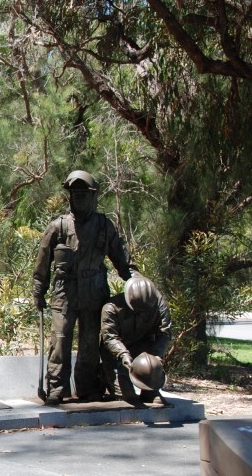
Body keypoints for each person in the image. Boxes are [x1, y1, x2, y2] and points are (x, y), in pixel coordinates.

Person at [33, 170, 139, 405]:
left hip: (94, 293)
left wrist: (137, 283)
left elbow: (122, 261)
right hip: (65, 294)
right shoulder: (57, 227)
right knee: (59, 342)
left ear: (93, 196)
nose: (78, 198)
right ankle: (56, 389)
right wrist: (38, 291)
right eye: (74, 194)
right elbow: (42, 264)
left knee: (90, 343)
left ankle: (88, 387)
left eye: (83, 194)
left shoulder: (104, 226)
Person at [100, 276, 171, 404]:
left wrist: (155, 357)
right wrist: (123, 355)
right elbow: (110, 337)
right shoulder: (111, 308)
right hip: (116, 353)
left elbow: (164, 333)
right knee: (127, 398)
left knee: (151, 375)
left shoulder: (159, 304)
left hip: (143, 347)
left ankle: (151, 391)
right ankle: (112, 382)